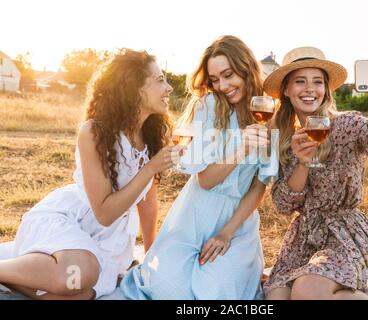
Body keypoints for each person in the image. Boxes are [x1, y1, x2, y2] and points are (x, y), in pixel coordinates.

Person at [0, 49, 180, 299]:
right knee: (79, 274)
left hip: (110, 243)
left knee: (80, 291)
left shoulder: (150, 134)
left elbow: (147, 198)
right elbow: (104, 214)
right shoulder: (95, 132)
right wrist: (151, 168)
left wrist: (150, 253)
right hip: (70, 221)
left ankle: (21, 282)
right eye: (160, 80)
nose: (169, 87)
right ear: (135, 88)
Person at [262, 47, 368, 300]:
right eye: (300, 81)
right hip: (303, 240)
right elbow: (284, 204)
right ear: (286, 90)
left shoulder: (348, 125)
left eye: (317, 82)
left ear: (326, 90)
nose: (310, 89)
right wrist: (303, 162)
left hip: (346, 236)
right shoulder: (281, 137)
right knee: (276, 297)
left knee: (307, 291)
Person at [120, 35, 279, 300]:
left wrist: (227, 233)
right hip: (195, 213)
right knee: (168, 291)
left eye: (228, 75)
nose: (223, 85)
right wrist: (241, 149)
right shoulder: (210, 105)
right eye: (215, 79)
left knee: (217, 293)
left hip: (237, 222)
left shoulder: (269, 112)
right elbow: (205, 180)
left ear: (247, 68)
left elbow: (259, 186)